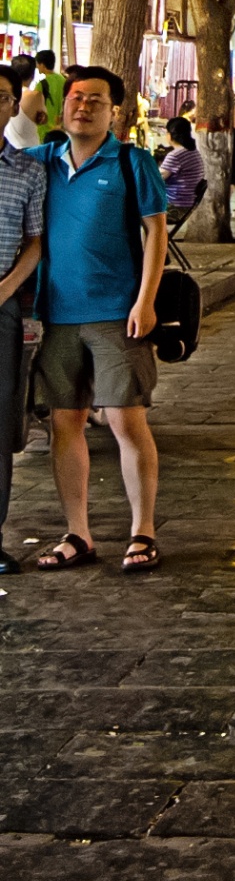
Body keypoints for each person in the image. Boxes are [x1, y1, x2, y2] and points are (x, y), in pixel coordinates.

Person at [32, 65, 168, 574]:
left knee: (125, 420)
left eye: (96, 99)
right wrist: (36, 92)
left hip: (117, 313)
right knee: (64, 423)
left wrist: (145, 300)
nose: (83, 106)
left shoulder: (132, 162)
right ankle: (78, 533)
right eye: (75, 97)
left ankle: (143, 532)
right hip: (59, 315)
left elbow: (155, 233)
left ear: (116, 111)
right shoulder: (43, 161)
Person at [0, 65, 45, 574]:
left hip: (3, 302)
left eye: (3, 97)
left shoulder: (28, 171)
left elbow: (35, 242)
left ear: (15, 106)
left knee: (1, 421)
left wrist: (7, 289)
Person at [159, 117, 204, 217]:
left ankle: (154, 233)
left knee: (131, 207)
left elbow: (156, 179)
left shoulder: (175, 155)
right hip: (186, 205)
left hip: (174, 207)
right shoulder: (193, 152)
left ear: (170, 135)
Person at [5, 62, 46, 152]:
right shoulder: (35, 96)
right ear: (32, 75)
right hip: (31, 151)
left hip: (7, 152)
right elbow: (43, 120)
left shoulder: (4, 96)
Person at [35, 48, 65, 132]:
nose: (37, 66)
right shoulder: (63, 80)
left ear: (42, 65)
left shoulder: (42, 84)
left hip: (45, 129)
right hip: (60, 129)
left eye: (37, 63)